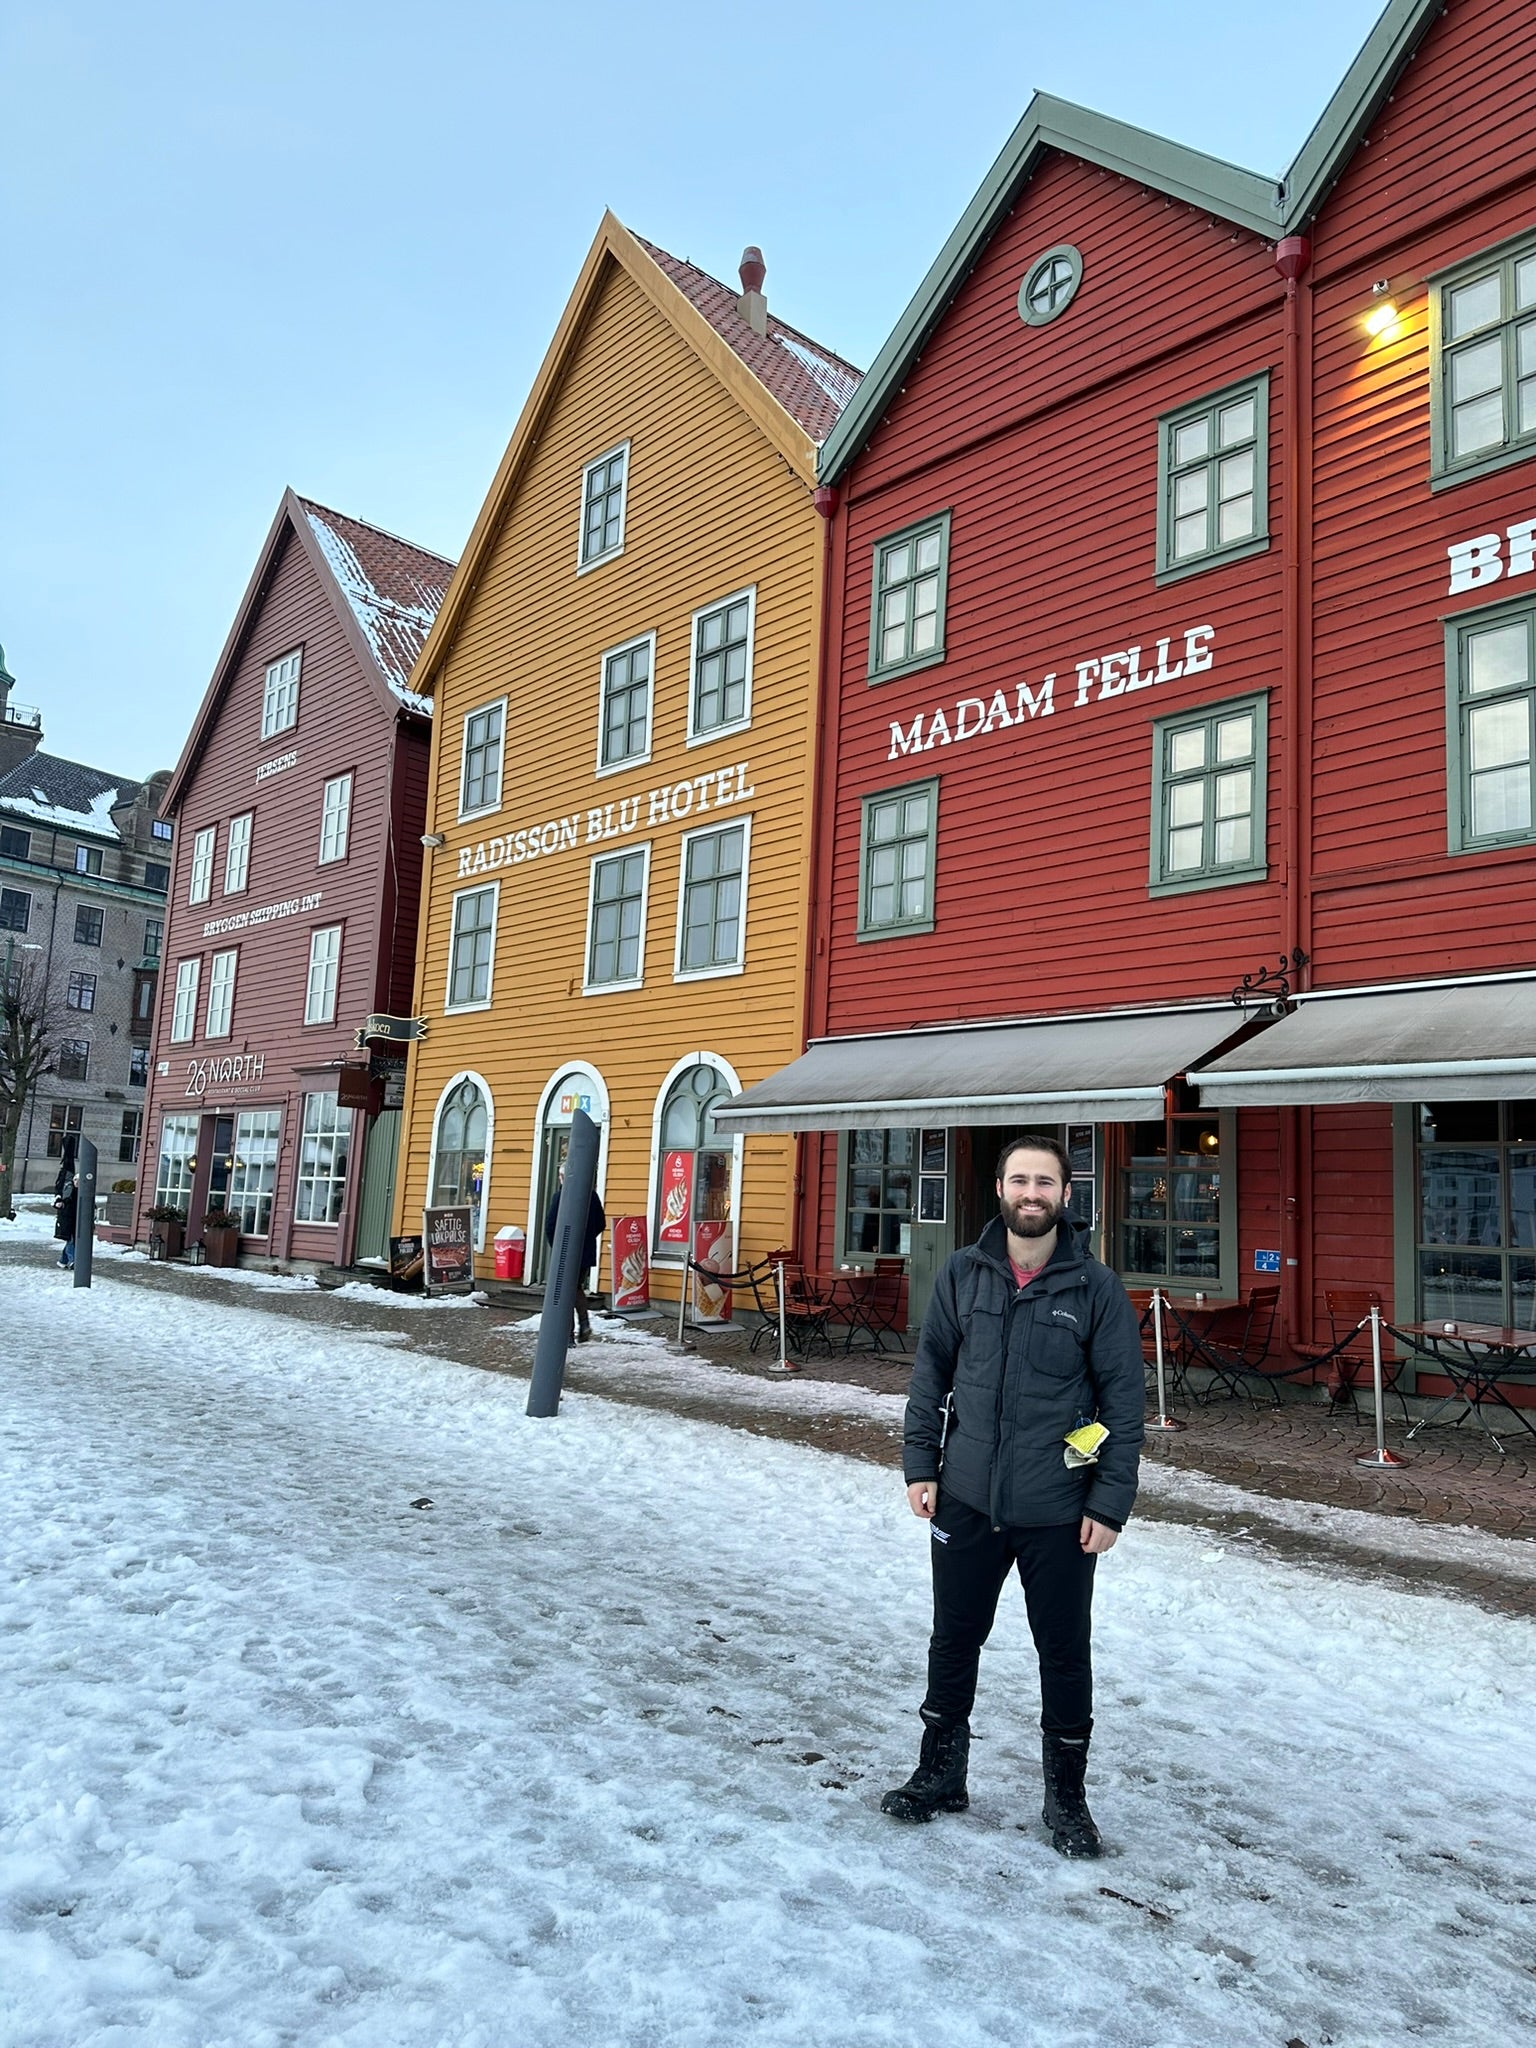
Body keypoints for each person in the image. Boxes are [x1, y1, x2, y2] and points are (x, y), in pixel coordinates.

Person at [881, 1134, 1144, 1857]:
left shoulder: (1095, 1289)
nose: (1032, 1193)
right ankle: (940, 1773)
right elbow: (930, 1375)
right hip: (965, 1496)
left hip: (1060, 1510)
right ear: (1000, 1189)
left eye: (1046, 1183)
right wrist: (919, 1466)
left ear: (1065, 1195)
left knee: (1063, 1654)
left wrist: (1107, 1503)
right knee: (953, 1638)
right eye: (1020, 1180)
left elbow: (1124, 1404)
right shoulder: (963, 1275)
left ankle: (1067, 1801)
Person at [543, 1168, 606, 1343]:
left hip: (565, 1252)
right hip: (585, 1253)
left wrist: (557, 1247)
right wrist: (586, 1239)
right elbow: (601, 1223)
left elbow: (549, 1226)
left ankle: (568, 1335)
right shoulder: (591, 1196)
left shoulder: (561, 1196)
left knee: (565, 1292)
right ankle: (584, 1323)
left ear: (563, 1177)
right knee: (575, 1287)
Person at [54, 1174, 79, 1271]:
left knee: (71, 1241)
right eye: (76, 1180)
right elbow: (60, 1202)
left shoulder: (82, 1193)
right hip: (68, 1220)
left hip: (76, 1220)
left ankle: (63, 1261)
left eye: (79, 1180)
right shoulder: (68, 1191)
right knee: (71, 1240)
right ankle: (73, 1261)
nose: (77, 1182)